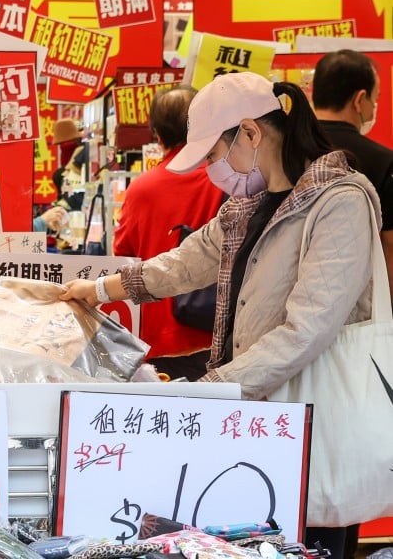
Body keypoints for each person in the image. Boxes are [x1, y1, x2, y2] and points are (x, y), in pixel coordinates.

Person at [59, 72, 377, 558]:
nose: (211, 169)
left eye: (212, 155)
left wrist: (216, 393)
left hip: (309, 423)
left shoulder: (340, 202)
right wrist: (98, 289)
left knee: (309, 539)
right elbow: (184, 263)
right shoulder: (246, 205)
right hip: (253, 419)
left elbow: (306, 329)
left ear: (251, 133)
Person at [112, 85, 225, 379]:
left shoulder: (141, 189)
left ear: (157, 135)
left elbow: (123, 256)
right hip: (215, 333)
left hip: (155, 336)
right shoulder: (226, 180)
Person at [312, 48, 393, 308]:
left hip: (285, 306)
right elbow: (391, 246)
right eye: (374, 98)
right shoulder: (382, 161)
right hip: (355, 305)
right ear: (360, 100)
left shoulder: (283, 152)